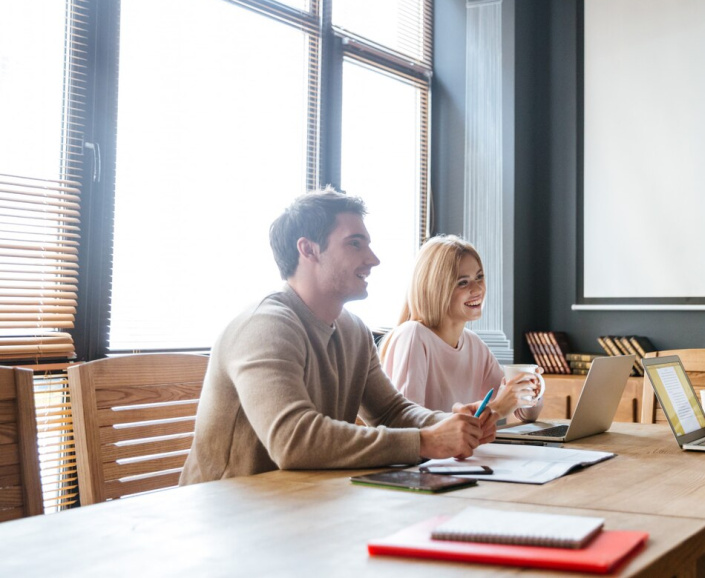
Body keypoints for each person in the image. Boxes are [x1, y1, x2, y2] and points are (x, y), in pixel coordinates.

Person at [180, 189, 497, 485]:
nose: (373, 259)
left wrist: (450, 425)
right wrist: (426, 441)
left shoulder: (353, 330)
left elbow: (391, 412)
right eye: (355, 244)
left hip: (300, 503)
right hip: (227, 517)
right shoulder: (264, 327)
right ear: (308, 250)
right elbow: (293, 440)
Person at [379, 235, 543, 421]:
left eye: (479, 277)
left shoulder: (474, 344)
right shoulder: (413, 335)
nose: (478, 289)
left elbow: (523, 414)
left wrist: (531, 392)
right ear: (435, 289)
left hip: (464, 451)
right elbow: (409, 426)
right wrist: (496, 408)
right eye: (463, 282)